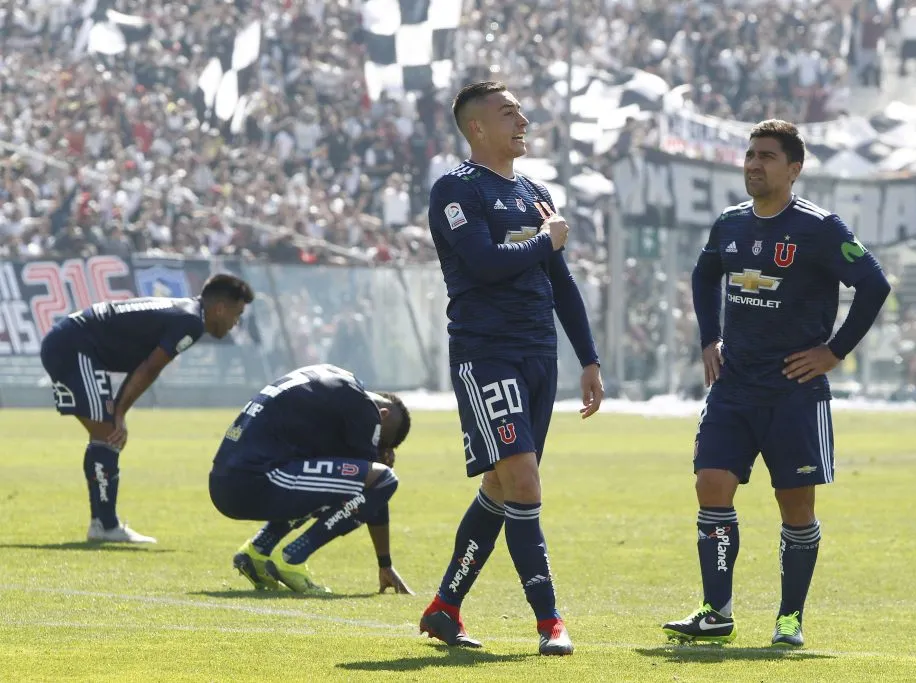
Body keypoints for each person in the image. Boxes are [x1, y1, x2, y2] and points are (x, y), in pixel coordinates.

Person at [663, 120, 891, 648]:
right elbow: (703, 276)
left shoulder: (820, 228)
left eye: (766, 156)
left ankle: (789, 619)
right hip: (734, 385)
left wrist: (833, 352)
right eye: (749, 155)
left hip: (793, 391)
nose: (753, 164)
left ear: (793, 169)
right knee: (711, 486)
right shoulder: (729, 224)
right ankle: (716, 611)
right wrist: (709, 338)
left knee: (796, 508)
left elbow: (874, 283)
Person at [420, 81, 604, 656]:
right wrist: (546, 242)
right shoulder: (455, 189)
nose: (522, 118)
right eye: (508, 113)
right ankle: (549, 622)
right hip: (486, 354)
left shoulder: (534, 191)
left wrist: (589, 358)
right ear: (477, 128)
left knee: (502, 486)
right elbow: (482, 263)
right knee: (522, 480)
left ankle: (445, 608)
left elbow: (562, 284)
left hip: (538, 355)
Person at [39, 273, 254, 544]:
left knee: (105, 437)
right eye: (237, 314)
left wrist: (118, 411)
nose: (235, 323)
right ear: (220, 307)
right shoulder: (190, 322)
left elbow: (143, 365)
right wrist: (119, 414)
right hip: (73, 346)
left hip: (74, 343)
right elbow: (150, 368)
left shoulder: (187, 313)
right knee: (108, 436)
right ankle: (104, 526)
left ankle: (103, 524)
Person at [208, 364, 413, 595]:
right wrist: (385, 562)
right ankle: (292, 558)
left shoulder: (332, 381)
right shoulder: (365, 409)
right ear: (382, 416)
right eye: (381, 443)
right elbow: (371, 481)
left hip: (225, 480)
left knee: (327, 481)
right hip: (255, 479)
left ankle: (257, 552)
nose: (377, 448)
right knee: (384, 478)